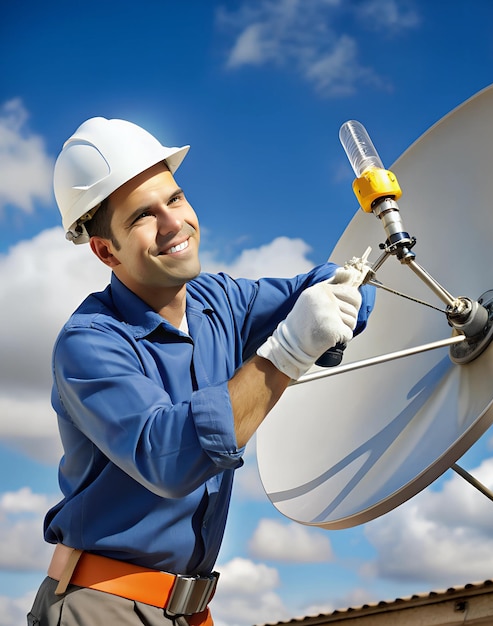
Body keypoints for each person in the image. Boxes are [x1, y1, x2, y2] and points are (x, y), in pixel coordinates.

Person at [27, 117, 375, 626]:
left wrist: (344, 289)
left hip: (187, 611)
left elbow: (314, 284)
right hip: (102, 605)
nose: (173, 224)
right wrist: (289, 351)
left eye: (175, 198)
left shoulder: (221, 301)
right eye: (142, 216)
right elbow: (172, 458)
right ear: (105, 250)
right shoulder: (91, 344)